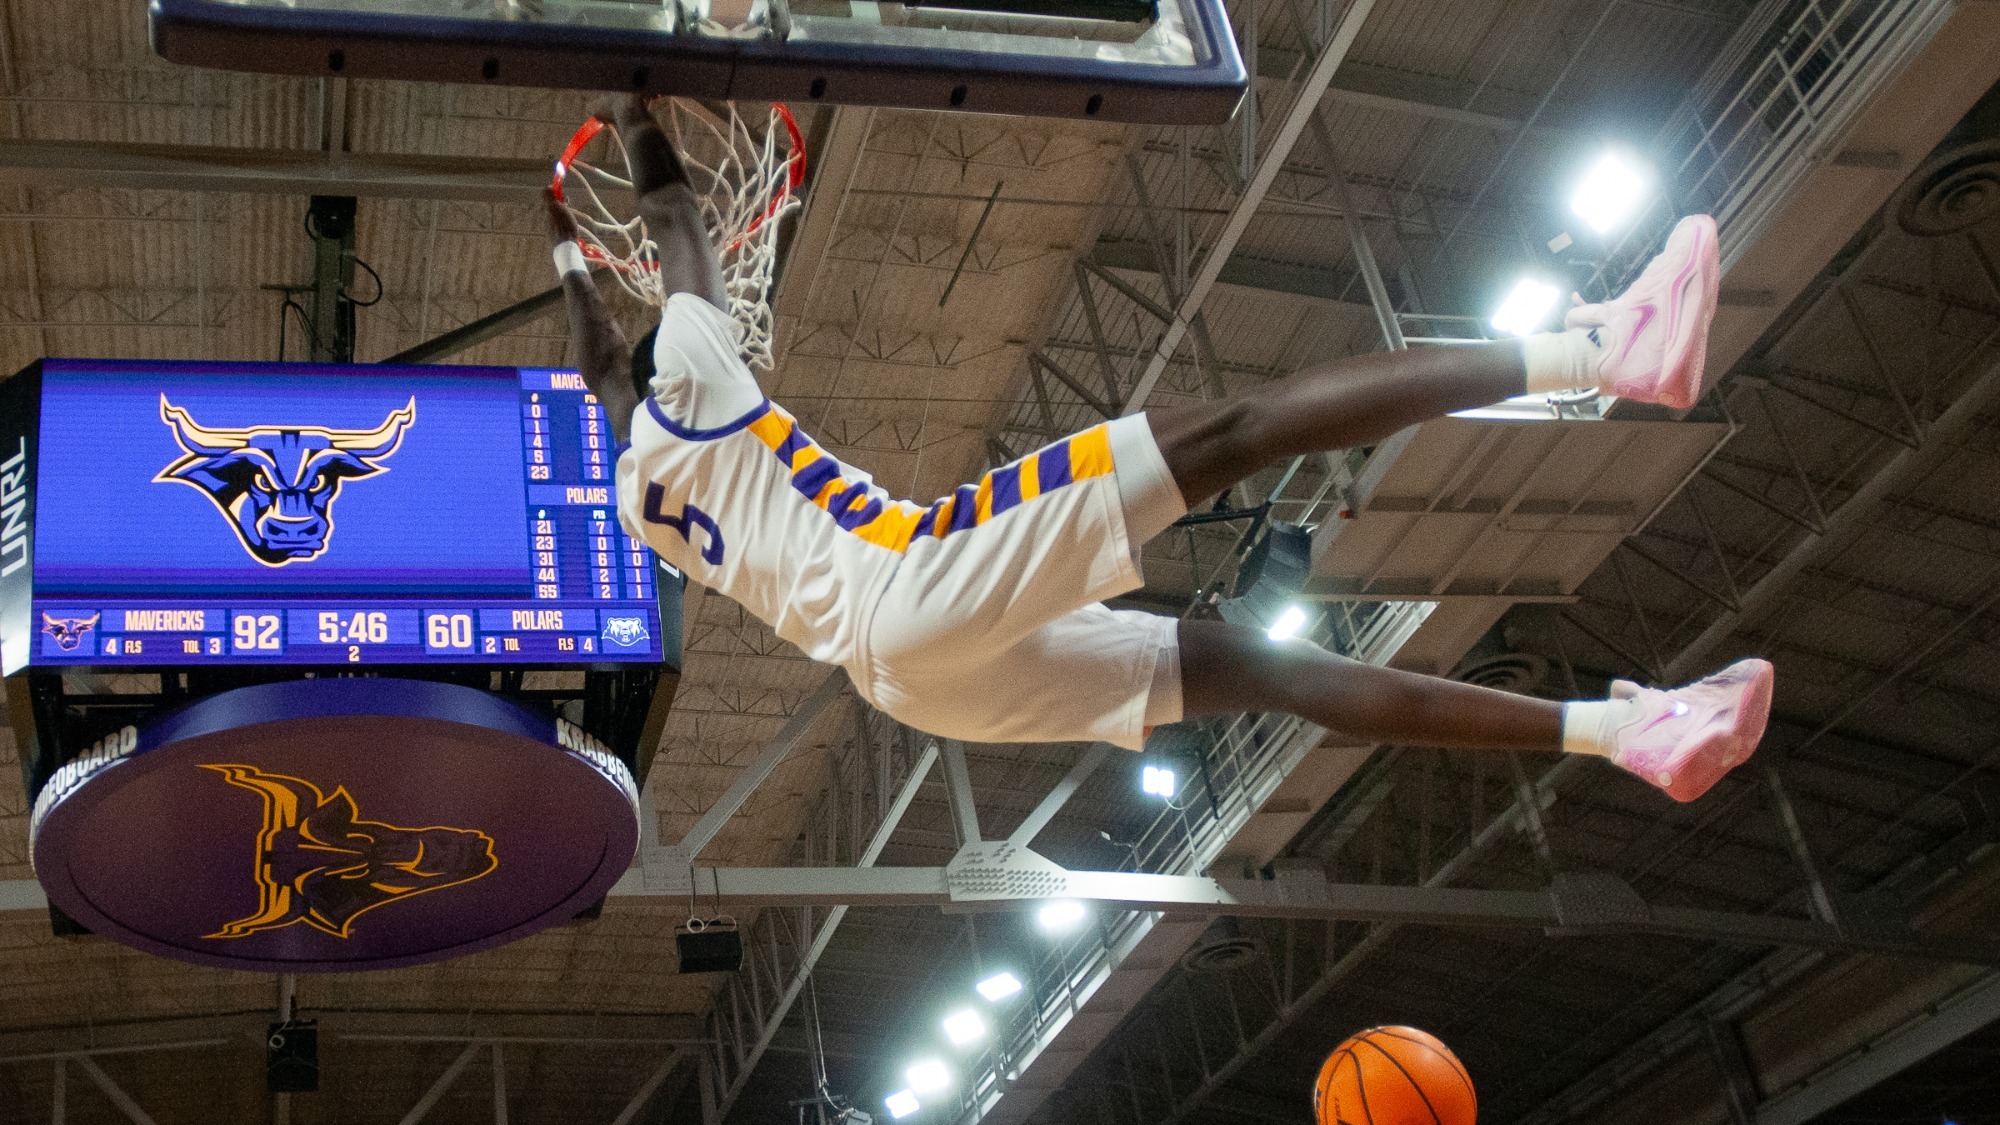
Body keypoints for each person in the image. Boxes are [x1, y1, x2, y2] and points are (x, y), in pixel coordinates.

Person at [545, 95, 1772, 804]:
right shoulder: (696, 369)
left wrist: (565, 263)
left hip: (916, 685)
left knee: (1262, 673)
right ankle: (1604, 356)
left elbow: (600, 362)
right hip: (909, 577)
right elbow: (668, 223)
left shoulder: (637, 486)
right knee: (1235, 430)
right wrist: (644, 100)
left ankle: (1625, 735)